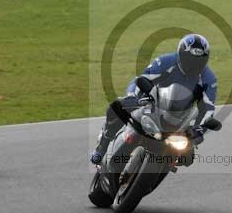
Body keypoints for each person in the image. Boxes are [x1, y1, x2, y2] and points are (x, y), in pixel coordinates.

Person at [90, 34, 217, 165]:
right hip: (152, 103)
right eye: (189, 59)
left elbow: (208, 108)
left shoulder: (209, 79)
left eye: (198, 61)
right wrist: (136, 97)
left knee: (187, 158)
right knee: (115, 108)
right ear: (180, 54)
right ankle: (102, 148)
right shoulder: (166, 62)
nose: (193, 65)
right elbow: (143, 78)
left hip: (179, 118)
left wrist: (199, 129)